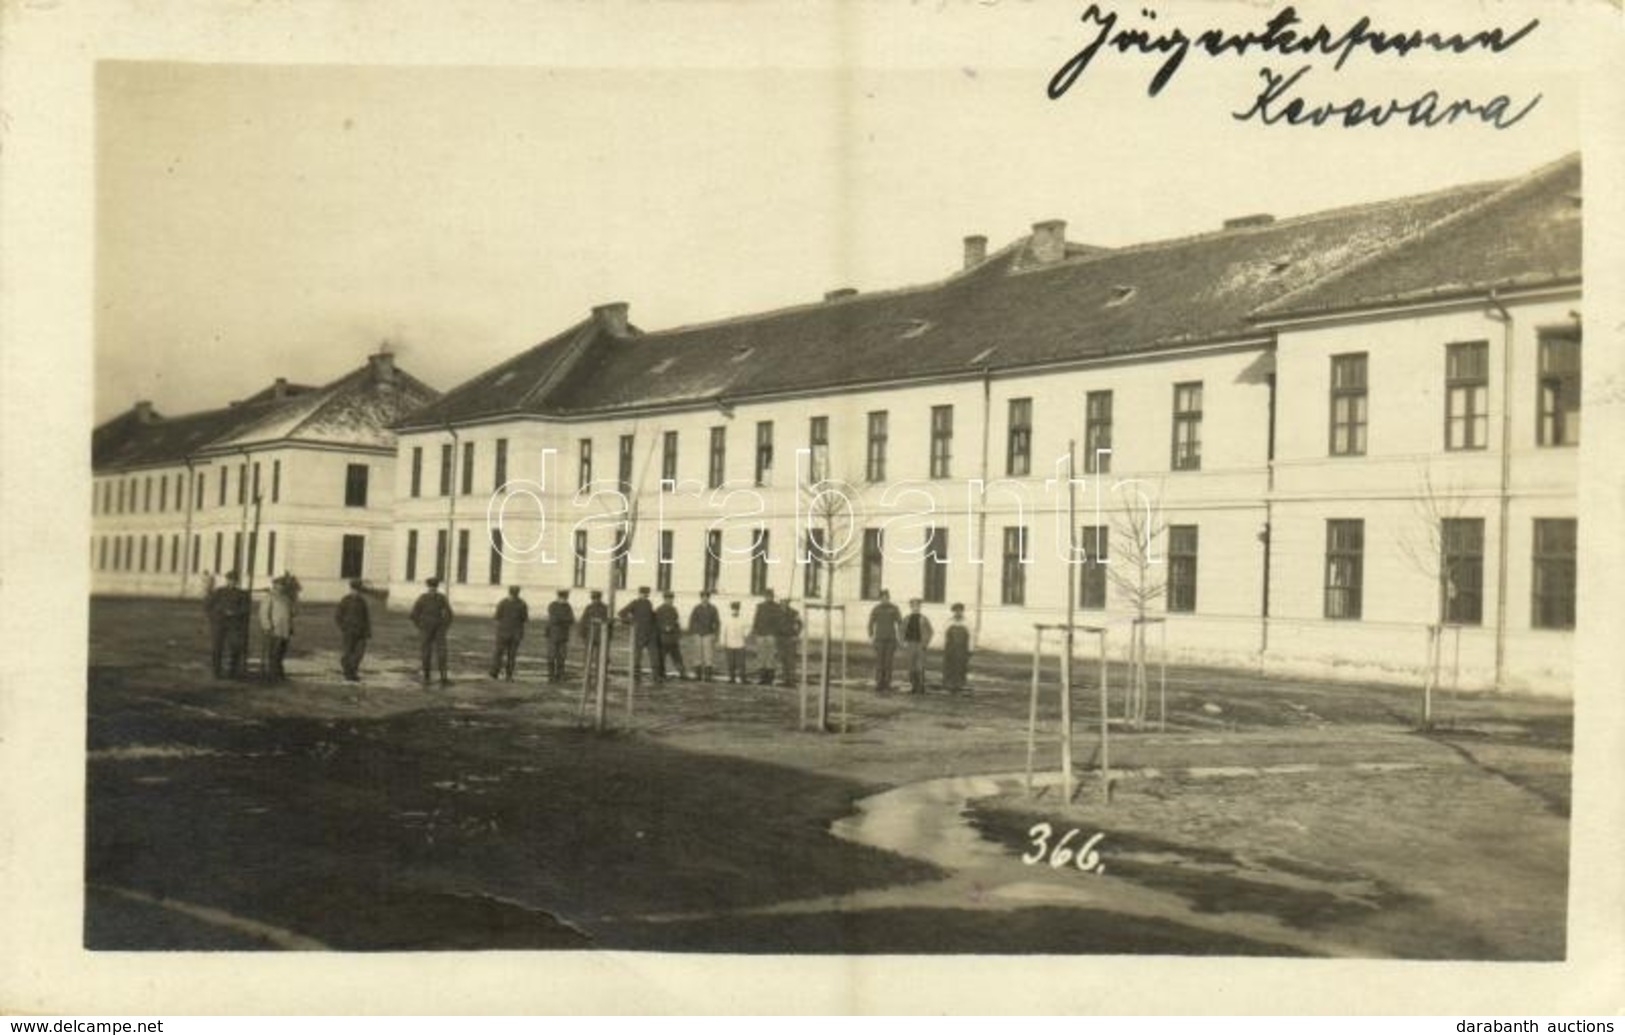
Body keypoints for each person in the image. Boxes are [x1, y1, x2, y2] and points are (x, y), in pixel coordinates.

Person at [205, 570, 253, 678]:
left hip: (234, 625)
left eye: (234, 580)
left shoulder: (242, 594)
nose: (231, 582)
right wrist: (215, 617)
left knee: (235, 647)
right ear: (227, 580)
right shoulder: (219, 592)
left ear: (237, 581)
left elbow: (246, 609)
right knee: (217, 648)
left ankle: (233, 672)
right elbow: (208, 606)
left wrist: (235, 613)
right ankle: (217, 672)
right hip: (219, 624)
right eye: (230, 579)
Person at [410, 576, 455, 686]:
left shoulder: (441, 598)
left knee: (441, 652)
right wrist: (420, 626)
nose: (432, 590)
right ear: (428, 587)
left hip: (438, 629)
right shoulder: (423, 598)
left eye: (434, 588)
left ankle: (443, 677)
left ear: (436, 587)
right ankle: (427, 676)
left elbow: (449, 614)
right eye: (431, 588)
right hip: (427, 628)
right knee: (427, 652)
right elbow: (414, 614)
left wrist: (444, 626)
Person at [618, 586, 661, 683]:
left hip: (650, 634)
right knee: (637, 657)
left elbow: (651, 617)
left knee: (654, 656)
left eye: (646, 594)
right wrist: (631, 622)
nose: (645, 596)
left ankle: (656, 677)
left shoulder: (649, 603)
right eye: (643, 594)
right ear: (639, 594)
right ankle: (636, 677)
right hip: (639, 634)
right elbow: (621, 613)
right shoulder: (635, 603)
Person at [258, 575, 297, 681]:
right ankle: (273, 674)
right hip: (275, 629)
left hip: (285, 629)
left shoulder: (286, 598)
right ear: (274, 585)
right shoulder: (270, 597)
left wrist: (294, 602)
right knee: (274, 652)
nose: (281, 587)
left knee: (281, 652)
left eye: (282, 585)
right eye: (279, 585)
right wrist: (267, 626)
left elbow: (292, 613)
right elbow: (264, 613)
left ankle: (279, 671)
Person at [334, 578, 371, 682]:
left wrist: (367, 632)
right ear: (351, 589)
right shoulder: (345, 600)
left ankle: (352, 671)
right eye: (354, 589)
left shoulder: (362, 602)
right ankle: (349, 673)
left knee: (359, 654)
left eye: (358, 590)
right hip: (349, 632)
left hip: (361, 632)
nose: (356, 592)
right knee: (348, 653)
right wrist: (343, 627)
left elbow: (366, 617)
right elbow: (338, 615)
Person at [489, 585, 529, 681]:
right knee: (511, 655)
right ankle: (509, 675)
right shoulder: (522, 604)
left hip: (503, 632)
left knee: (498, 653)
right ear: (518, 593)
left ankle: (494, 672)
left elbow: (497, 617)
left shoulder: (503, 603)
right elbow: (525, 618)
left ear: (509, 592)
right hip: (516, 633)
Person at [867, 589, 903, 693]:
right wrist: (871, 635)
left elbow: (900, 623)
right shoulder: (876, 609)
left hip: (891, 640)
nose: (884, 599)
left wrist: (900, 637)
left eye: (886, 597)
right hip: (879, 640)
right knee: (879, 662)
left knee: (888, 662)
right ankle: (879, 682)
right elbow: (871, 623)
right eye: (882, 597)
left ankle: (887, 683)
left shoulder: (894, 609)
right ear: (880, 599)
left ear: (889, 597)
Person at [902, 597, 934, 695]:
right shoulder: (907, 618)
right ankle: (913, 687)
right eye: (913, 606)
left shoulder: (924, 619)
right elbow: (901, 631)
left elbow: (930, 631)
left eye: (918, 606)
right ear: (911, 607)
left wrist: (925, 643)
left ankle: (921, 687)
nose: (916, 608)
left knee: (920, 666)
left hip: (920, 645)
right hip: (910, 644)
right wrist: (903, 642)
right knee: (911, 666)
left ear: (920, 607)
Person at [750, 589, 782, 686]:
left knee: (770, 657)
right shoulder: (760, 607)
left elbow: (779, 621)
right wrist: (754, 631)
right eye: (767, 596)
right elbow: (756, 619)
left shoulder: (777, 607)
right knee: (761, 657)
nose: (768, 597)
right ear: (764, 596)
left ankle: (770, 678)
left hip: (771, 635)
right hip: (761, 634)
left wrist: (776, 633)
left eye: (770, 596)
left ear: (773, 596)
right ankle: (762, 678)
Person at [688, 590, 720, 682]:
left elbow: (717, 622)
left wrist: (715, 634)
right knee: (697, 655)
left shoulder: (713, 608)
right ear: (701, 598)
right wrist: (693, 633)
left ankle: (708, 676)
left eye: (706, 597)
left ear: (708, 598)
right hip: (698, 634)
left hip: (708, 634)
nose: (704, 599)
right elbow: (692, 621)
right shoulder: (696, 608)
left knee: (708, 655)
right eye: (703, 597)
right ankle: (698, 675)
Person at [655, 591, 687, 680]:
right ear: (664, 599)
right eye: (668, 599)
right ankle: (661, 674)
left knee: (677, 657)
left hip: (673, 639)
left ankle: (682, 673)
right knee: (661, 657)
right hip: (663, 638)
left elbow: (676, 622)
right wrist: (664, 628)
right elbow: (656, 623)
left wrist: (678, 634)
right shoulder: (659, 609)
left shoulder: (674, 609)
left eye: (671, 599)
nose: (670, 600)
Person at [579, 589, 610, 681]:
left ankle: (600, 675)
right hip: (590, 636)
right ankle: (586, 674)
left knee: (601, 657)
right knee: (588, 656)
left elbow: (608, 621)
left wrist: (608, 635)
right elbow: (583, 621)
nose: (595, 600)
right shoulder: (589, 608)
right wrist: (583, 634)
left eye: (597, 598)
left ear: (600, 598)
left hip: (601, 636)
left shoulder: (605, 608)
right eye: (594, 598)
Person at [546, 589, 576, 683]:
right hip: (553, 634)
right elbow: (555, 619)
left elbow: (571, 619)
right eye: (564, 597)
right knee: (552, 656)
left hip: (563, 635)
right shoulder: (553, 605)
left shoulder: (567, 606)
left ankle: (560, 675)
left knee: (562, 656)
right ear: (560, 597)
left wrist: (562, 620)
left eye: (566, 598)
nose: (565, 599)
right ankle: (551, 676)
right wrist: (564, 620)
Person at [942, 602, 971, 693]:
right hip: (951, 648)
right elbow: (944, 635)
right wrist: (944, 647)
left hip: (962, 648)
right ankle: (949, 684)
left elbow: (972, 636)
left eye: (960, 611)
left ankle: (960, 684)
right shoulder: (949, 622)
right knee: (950, 665)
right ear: (953, 612)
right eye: (956, 611)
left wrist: (970, 649)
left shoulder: (967, 623)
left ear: (962, 612)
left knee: (961, 665)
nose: (958, 613)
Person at [719, 600, 749, 684]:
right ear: (731, 609)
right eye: (733, 609)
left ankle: (743, 678)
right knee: (731, 662)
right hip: (730, 643)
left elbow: (747, 628)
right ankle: (732, 678)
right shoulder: (726, 619)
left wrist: (745, 635)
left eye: (737, 609)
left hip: (740, 643)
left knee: (741, 662)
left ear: (739, 609)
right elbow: (722, 631)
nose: (735, 610)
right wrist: (722, 641)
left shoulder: (743, 618)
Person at [776, 598, 801, 687]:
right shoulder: (777, 613)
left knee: (790, 660)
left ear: (788, 603)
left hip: (790, 639)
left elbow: (800, 624)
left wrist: (796, 635)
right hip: (780, 639)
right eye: (782, 602)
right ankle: (785, 680)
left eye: (785, 602)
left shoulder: (794, 612)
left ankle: (791, 681)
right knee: (783, 660)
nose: (783, 604)